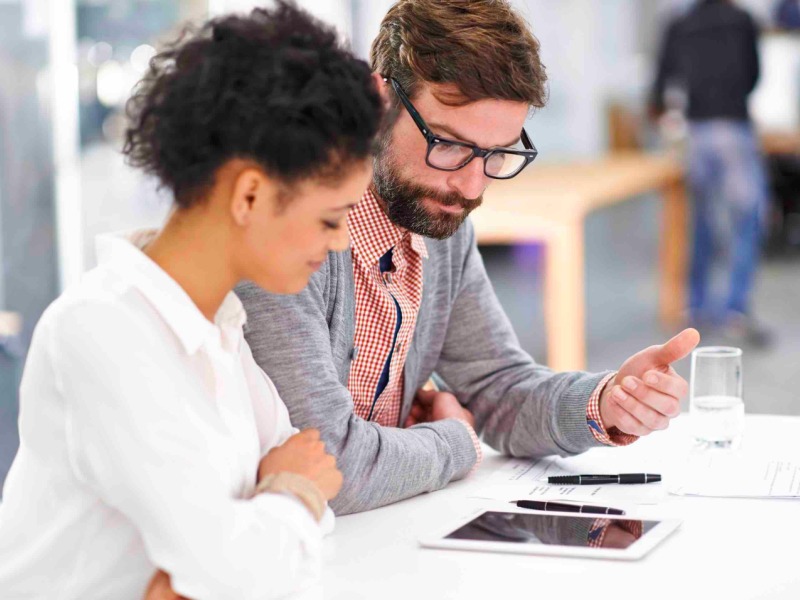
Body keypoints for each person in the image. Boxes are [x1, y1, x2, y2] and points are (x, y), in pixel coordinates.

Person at [236, 0, 701, 517]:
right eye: (451, 145)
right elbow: (327, 467)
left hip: (377, 535)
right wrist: (455, 442)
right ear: (379, 102)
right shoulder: (293, 235)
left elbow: (496, 386)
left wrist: (606, 400)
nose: (472, 186)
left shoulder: (440, 227)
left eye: (498, 153)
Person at [0, 3, 382, 599]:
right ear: (250, 195)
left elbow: (315, 476)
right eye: (330, 220)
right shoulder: (102, 331)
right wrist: (282, 498)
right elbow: (249, 554)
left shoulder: (220, 327)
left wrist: (260, 521)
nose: (339, 246)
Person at [650, 0, 770, 345]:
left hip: (698, 132)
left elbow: (662, 79)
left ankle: (697, 307)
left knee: (700, 221)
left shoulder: (680, 22)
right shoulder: (743, 20)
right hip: (734, 127)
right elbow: (754, 75)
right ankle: (735, 310)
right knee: (746, 220)